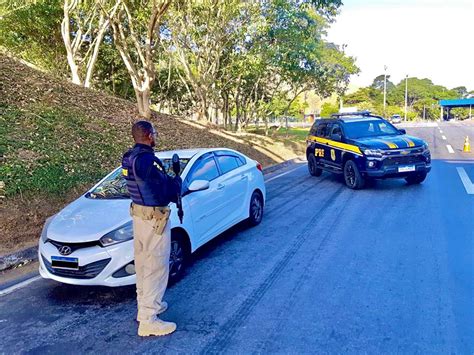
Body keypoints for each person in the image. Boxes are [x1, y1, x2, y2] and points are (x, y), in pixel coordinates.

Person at [121, 120, 182, 337]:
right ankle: (149, 319)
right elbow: (164, 192)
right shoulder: (149, 161)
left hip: (138, 216)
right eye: (154, 132)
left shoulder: (129, 158)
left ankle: (144, 308)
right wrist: (177, 183)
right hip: (154, 220)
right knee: (156, 267)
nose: (156, 136)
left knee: (144, 265)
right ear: (148, 135)